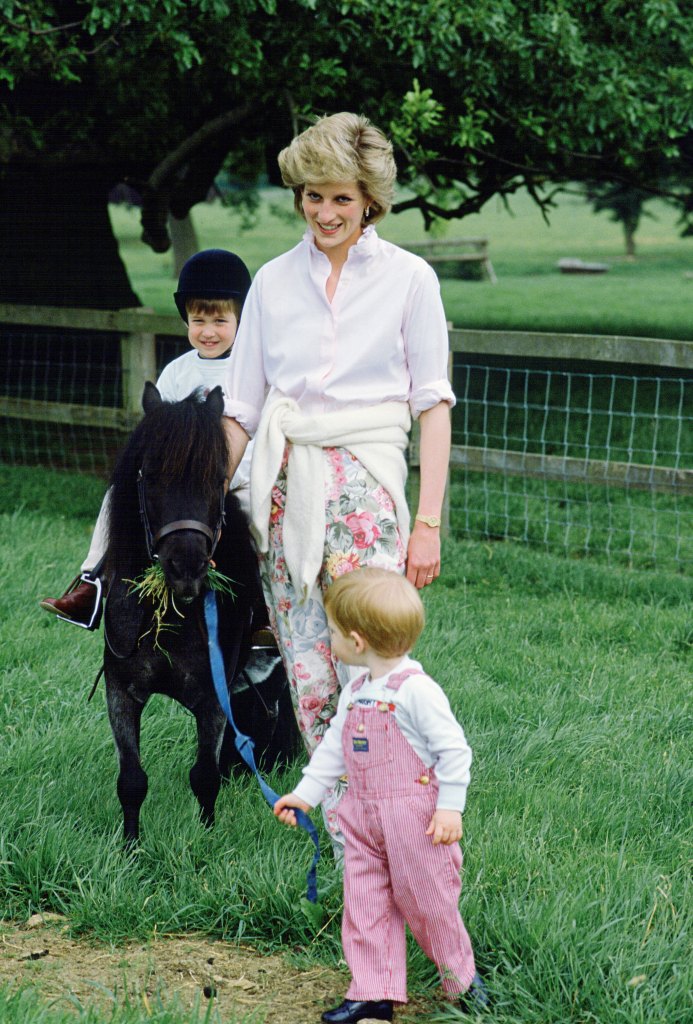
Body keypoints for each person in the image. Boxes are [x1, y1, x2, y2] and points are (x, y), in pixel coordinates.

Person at [221, 112, 455, 846]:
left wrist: (427, 522)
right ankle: (343, 817)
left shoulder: (409, 279)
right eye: (311, 196)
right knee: (306, 659)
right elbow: (241, 408)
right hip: (285, 486)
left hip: (366, 488)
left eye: (341, 200)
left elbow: (433, 405)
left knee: (369, 652)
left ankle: (400, 806)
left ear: (370, 202)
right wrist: (206, 492)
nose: (323, 213)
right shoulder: (270, 281)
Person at [274, 568, 487, 1023]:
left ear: (357, 641)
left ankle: (463, 981)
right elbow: (334, 750)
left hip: (416, 822)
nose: (328, 639)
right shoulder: (355, 692)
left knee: (428, 904)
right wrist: (304, 795)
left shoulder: (417, 691)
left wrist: (450, 807)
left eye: (331, 631)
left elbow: (454, 751)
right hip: (363, 819)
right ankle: (373, 994)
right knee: (364, 904)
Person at [39, 248, 252, 628]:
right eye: (198, 319)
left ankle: (263, 611)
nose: (207, 331)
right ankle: (92, 583)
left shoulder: (249, 370)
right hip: (180, 487)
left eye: (220, 320)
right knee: (115, 498)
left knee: (262, 519)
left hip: (238, 478)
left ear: (242, 320)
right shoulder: (176, 373)